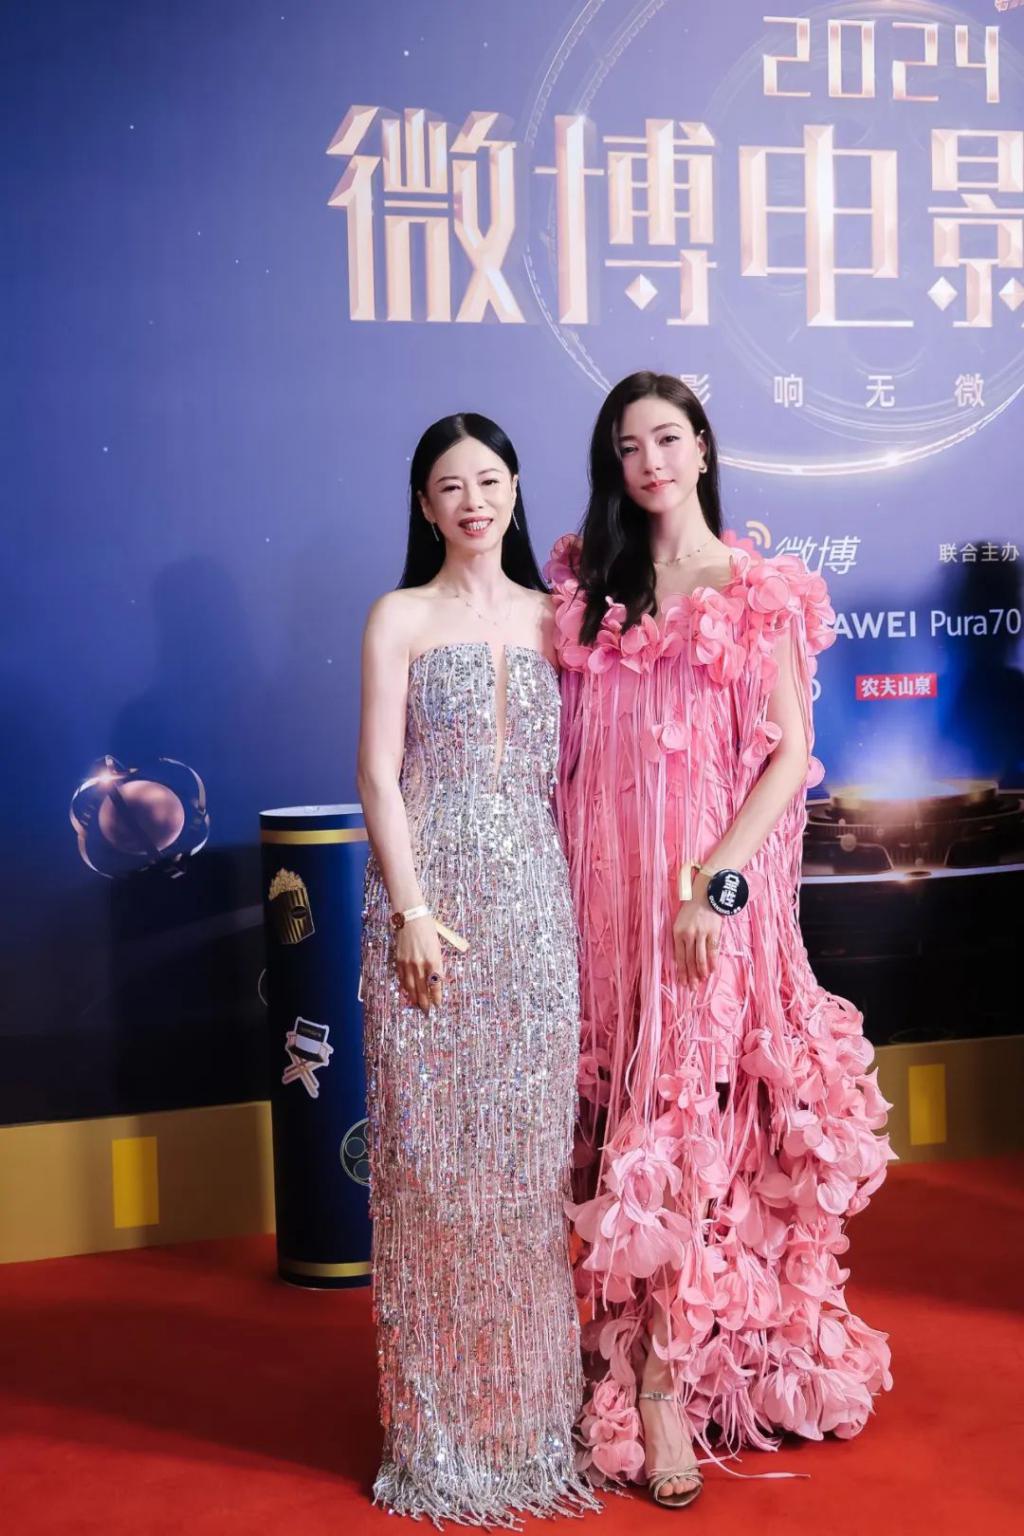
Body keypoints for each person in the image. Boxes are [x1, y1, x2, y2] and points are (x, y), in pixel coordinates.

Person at [548, 372, 893, 1508]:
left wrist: (717, 887)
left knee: (685, 1126)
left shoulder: (758, 592)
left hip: (708, 908)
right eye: (628, 445)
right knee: (617, 1124)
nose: (649, 460)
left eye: (667, 437)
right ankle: (609, 1350)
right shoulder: (588, 592)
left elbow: (789, 755)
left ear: (701, 447)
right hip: (603, 910)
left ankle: (659, 1386)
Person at [357, 413, 600, 1525]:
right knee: (433, 1172)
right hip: (430, 911)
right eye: (450, 485)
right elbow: (378, 776)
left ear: (514, 489)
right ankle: (440, 1439)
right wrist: (411, 911)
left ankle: (533, 1426)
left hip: (536, 913)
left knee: (526, 1170)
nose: (473, 501)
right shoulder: (399, 616)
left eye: (490, 480)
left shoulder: (562, 618)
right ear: (424, 504)